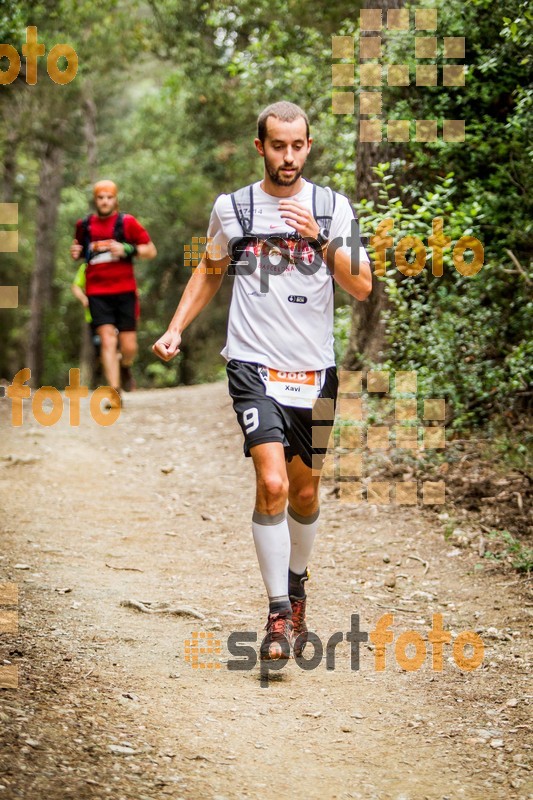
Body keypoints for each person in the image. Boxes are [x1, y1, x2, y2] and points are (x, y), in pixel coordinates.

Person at [153, 101, 372, 661]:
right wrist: (176, 327)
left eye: (298, 146)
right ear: (261, 147)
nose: (289, 157)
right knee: (272, 484)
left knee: (304, 491)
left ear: (309, 145)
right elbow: (209, 267)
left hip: (314, 370)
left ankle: (297, 586)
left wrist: (321, 239)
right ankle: (277, 613)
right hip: (253, 365)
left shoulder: (332, 206)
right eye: (278, 146)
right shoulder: (233, 208)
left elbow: (363, 287)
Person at [70, 180, 156, 401]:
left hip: (125, 291)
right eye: (100, 197)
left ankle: (125, 366)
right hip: (97, 292)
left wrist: (128, 248)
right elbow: (80, 249)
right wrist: (77, 251)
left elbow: (150, 250)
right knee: (107, 340)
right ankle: (114, 391)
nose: (105, 201)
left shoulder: (127, 223)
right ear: (95, 200)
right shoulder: (85, 225)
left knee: (128, 347)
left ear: (115, 199)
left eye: (109, 197)